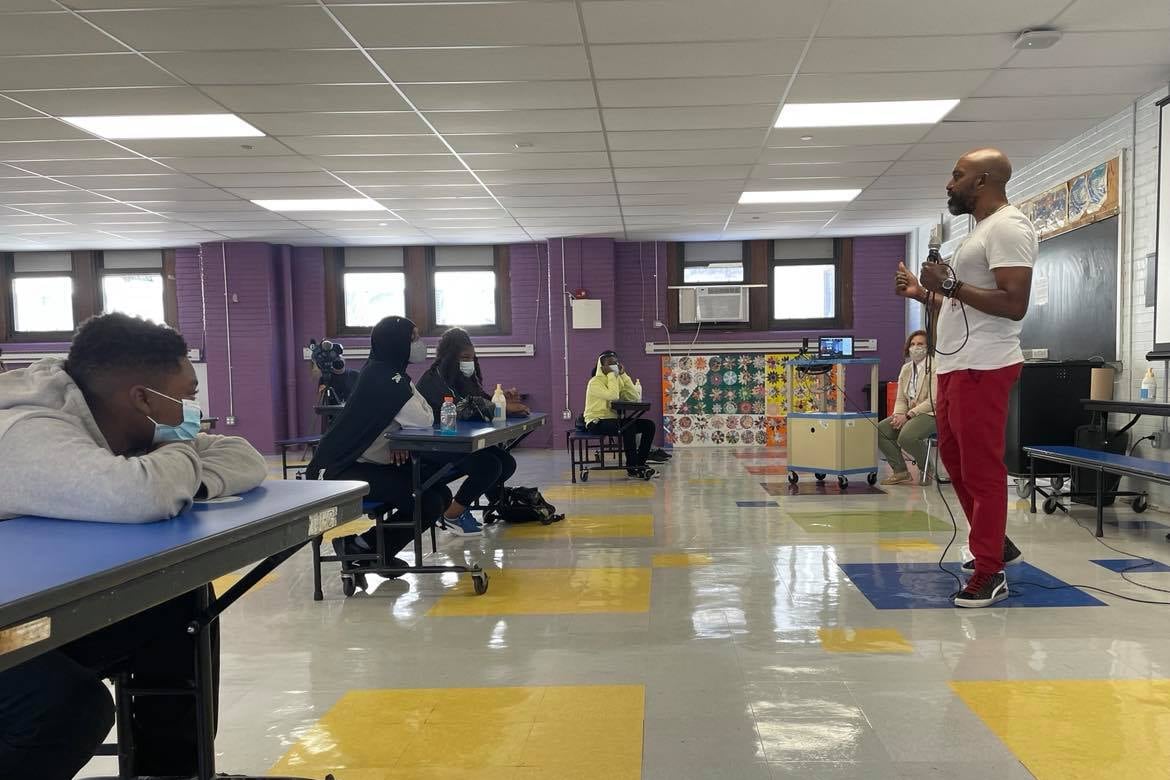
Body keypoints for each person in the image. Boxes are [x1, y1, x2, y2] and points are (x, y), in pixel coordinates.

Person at [0, 312, 267, 780]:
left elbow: (242, 455)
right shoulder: (26, 430)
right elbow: (142, 495)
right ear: (143, 398)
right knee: (67, 707)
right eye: (186, 397)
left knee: (174, 604)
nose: (193, 413)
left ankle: (170, 772)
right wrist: (175, 460)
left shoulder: (110, 421)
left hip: (18, 604)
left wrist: (181, 476)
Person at [896, 147, 1034, 608]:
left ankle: (990, 571)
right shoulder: (977, 233)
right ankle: (994, 542)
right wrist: (924, 294)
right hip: (956, 367)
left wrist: (949, 285)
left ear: (984, 180)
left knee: (981, 469)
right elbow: (962, 305)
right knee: (955, 464)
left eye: (958, 175)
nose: (949, 184)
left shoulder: (1010, 226)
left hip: (986, 365)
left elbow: (1014, 304)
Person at [307, 315, 454, 569]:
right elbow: (424, 419)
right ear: (397, 343)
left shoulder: (388, 372)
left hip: (367, 463)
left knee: (440, 492)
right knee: (427, 500)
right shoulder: (384, 377)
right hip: (341, 470)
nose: (420, 344)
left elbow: (416, 413)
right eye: (414, 338)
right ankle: (366, 548)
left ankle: (369, 549)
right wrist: (408, 410)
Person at [416, 328, 524, 520]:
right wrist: (501, 409)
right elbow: (464, 409)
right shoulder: (434, 380)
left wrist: (502, 400)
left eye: (472, 358)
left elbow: (482, 400)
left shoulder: (464, 379)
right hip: (436, 445)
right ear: (450, 357)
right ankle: (452, 515)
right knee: (489, 466)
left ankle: (488, 501)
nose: (469, 362)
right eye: (465, 357)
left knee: (506, 463)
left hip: (461, 443)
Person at [584, 350, 659, 479]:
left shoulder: (616, 380)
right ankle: (632, 468)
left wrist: (623, 375)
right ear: (602, 367)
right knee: (628, 427)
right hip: (596, 422)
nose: (614, 366)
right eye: (610, 364)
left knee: (649, 425)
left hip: (613, 420)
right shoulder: (595, 382)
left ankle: (640, 464)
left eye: (616, 363)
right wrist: (612, 375)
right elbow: (613, 396)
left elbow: (634, 397)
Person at [877, 330, 938, 485]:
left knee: (906, 437)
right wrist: (898, 414)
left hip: (931, 413)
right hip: (909, 414)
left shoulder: (936, 366)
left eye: (920, 344)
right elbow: (901, 398)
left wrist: (909, 415)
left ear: (928, 347)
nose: (915, 347)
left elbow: (934, 399)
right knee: (881, 430)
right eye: (912, 344)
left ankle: (926, 467)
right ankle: (900, 471)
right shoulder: (906, 368)